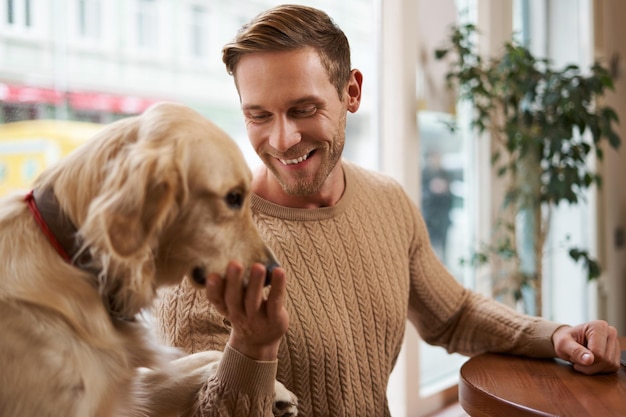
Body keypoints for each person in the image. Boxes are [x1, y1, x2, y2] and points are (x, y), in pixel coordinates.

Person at [154, 4, 621, 416]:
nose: (282, 139)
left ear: (351, 92)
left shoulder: (386, 199)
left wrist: (555, 334)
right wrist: (252, 349)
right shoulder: (203, 246)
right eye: (259, 115)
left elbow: (454, 315)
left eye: (303, 108)